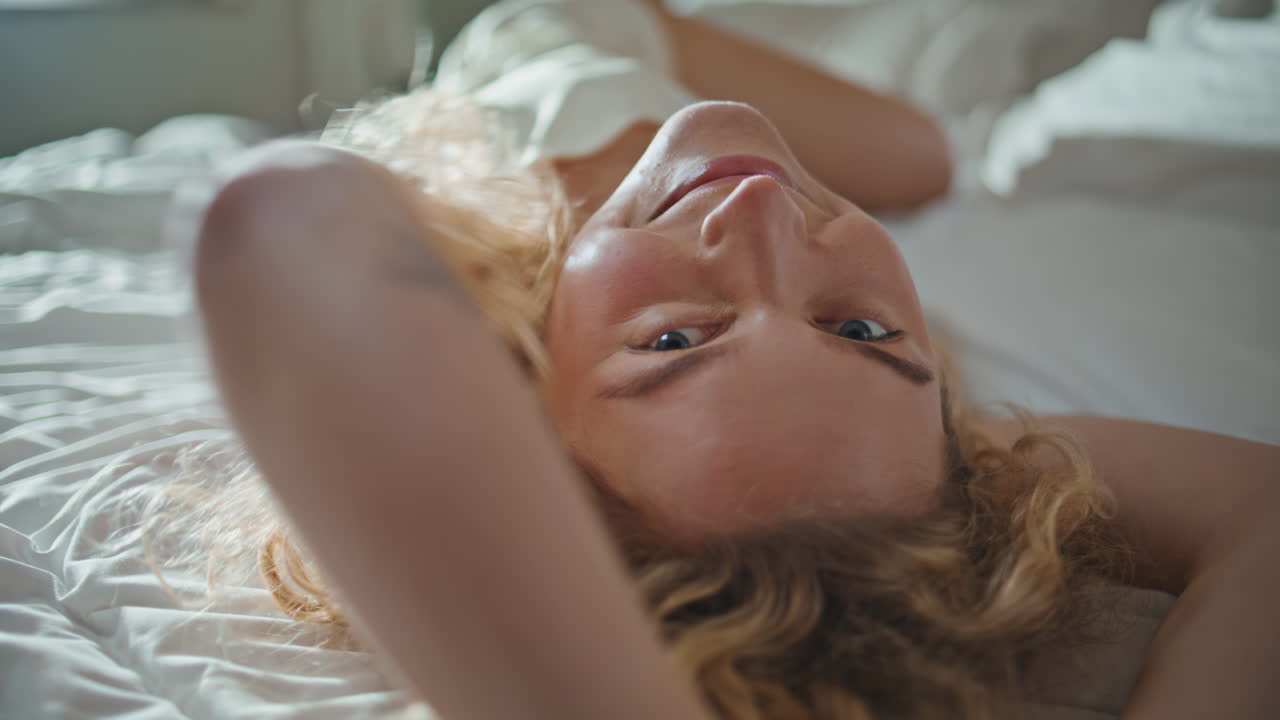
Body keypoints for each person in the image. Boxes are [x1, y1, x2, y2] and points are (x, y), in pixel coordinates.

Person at [179, 2, 1280, 719]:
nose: (755, 213)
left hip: (548, 43)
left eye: (671, 343)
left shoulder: (449, 249)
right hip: (629, 42)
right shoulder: (908, 446)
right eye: (856, 330)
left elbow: (291, 221)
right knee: (923, 153)